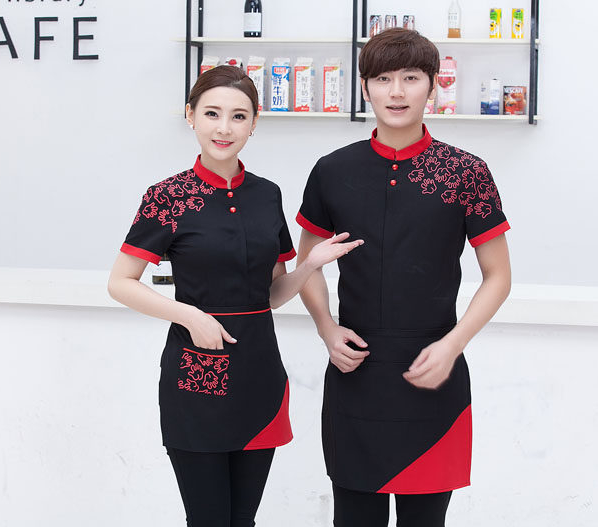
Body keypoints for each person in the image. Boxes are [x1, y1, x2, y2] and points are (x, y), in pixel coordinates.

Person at [107, 65, 362, 527]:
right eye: (212, 113)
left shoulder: (267, 195)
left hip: (259, 376)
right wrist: (190, 316)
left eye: (238, 116)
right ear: (190, 115)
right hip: (196, 375)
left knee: (243, 521)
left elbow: (272, 294)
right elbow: (120, 282)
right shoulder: (168, 196)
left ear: (254, 123)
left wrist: (310, 265)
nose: (224, 128)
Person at [295, 28, 512, 527]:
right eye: (383, 79)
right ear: (365, 87)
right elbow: (308, 264)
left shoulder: (465, 171)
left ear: (432, 85)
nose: (397, 92)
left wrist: (453, 345)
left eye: (411, 78)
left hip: (435, 371)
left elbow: (498, 276)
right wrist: (327, 328)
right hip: (356, 370)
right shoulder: (333, 170)